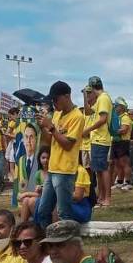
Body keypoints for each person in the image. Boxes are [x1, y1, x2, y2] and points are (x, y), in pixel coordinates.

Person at [34, 81, 86, 228]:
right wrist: (43, 127)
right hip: (52, 169)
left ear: (67, 96)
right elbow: (49, 140)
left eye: (56, 99)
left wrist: (50, 127)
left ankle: (68, 243)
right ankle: (49, 241)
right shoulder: (56, 114)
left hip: (65, 170)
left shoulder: (77, 116)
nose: (54, 103)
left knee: (64, 212)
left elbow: (68, 145)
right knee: (43, 210)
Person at [82, 76, 113, 207]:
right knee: (98, 170)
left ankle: (107, 198)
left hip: (101, 138)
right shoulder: (99, 100)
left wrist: (87, 129)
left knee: (103, 169)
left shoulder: (104, 98)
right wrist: (85, 96)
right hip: (96, 139)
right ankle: (101, 196)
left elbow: (103, 119)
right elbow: (89, 110)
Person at [18, 146, 50, 223]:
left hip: (50, 199)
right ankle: (22, 226)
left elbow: (46, 194)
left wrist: (26, 193)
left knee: (30, 200)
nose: (45, 160)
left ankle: (39, 225)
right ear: (39, 159)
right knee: (25, 200)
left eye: (48, 158)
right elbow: (37, 193)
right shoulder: (38, 174)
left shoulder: (53, 173)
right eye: (43, 158)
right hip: (41, 197)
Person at [110, 97, 133, 191]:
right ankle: (120, 182)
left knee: (124, 163)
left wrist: (113, 131)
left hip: (123, 142)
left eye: (117, 106)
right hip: (116, 142)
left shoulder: (125, 117)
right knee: (117, 164)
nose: (115, 107)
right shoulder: (118, 117)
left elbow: (124, 130)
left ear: (122, 107)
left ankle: (128, 182)